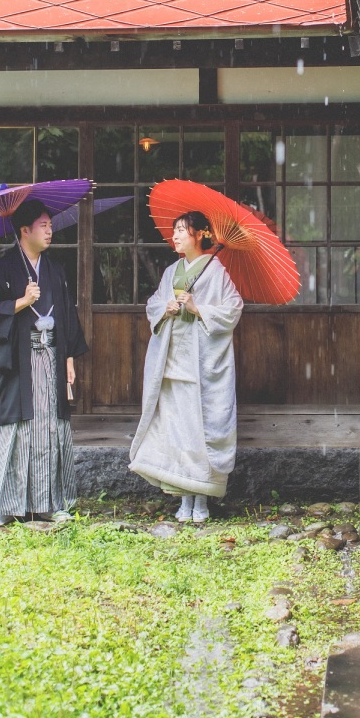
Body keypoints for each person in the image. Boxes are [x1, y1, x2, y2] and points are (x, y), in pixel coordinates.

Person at [0, 199, 88, 527]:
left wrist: (68, 358)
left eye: (50, 225)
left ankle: (53, 503)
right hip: (18, 365)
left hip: (50, 358)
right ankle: (3, 506)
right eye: (44, 225)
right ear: (25, 231)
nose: (50, 231)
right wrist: (21, 302)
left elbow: (67, 316)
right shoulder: (3, 270)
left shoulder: (55, 271)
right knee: (15, 431)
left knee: (50, 429)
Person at [129, 211, 243, 523]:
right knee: (177, 431)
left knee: (199, 430)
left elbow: (233, 309)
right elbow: (153, 304)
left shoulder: (215, 271)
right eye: (175, 230)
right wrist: (165, 309)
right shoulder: (171, 272)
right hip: (173, 359)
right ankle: (183, 498)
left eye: (182, 230)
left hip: (201, 363)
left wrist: (198, 308)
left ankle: (201, 499)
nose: (176, 236)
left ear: (200, 235)